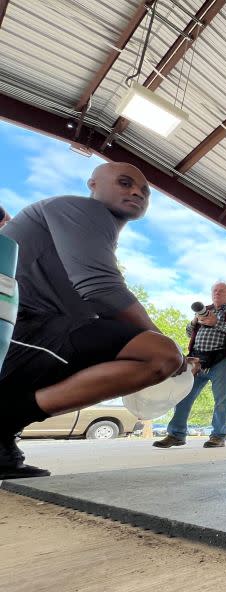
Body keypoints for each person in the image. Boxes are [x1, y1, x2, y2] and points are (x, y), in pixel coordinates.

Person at [0, 162, 184, 478]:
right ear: (93, 184)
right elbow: (101, 288)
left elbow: (93, 310)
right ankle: (5, 417)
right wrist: (169, 345)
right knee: (160, 354)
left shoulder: (90, 235)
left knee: (128, 353)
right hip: (18, 327)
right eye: (125, 183)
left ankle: (4, 429)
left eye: (144, 191)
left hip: (36, 330)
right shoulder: (80, 209)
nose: (137, 192)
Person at [153, 282, 226, 448]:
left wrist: (216, 322)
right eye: (215, 290)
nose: (217, 293)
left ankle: (218, 436)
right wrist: (195, 321)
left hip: (222, 359)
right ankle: (176, 434)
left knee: (221, 399)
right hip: (197, 360)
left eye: (222, 291)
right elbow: (189, 332)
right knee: (183, 395)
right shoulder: (204, 310)